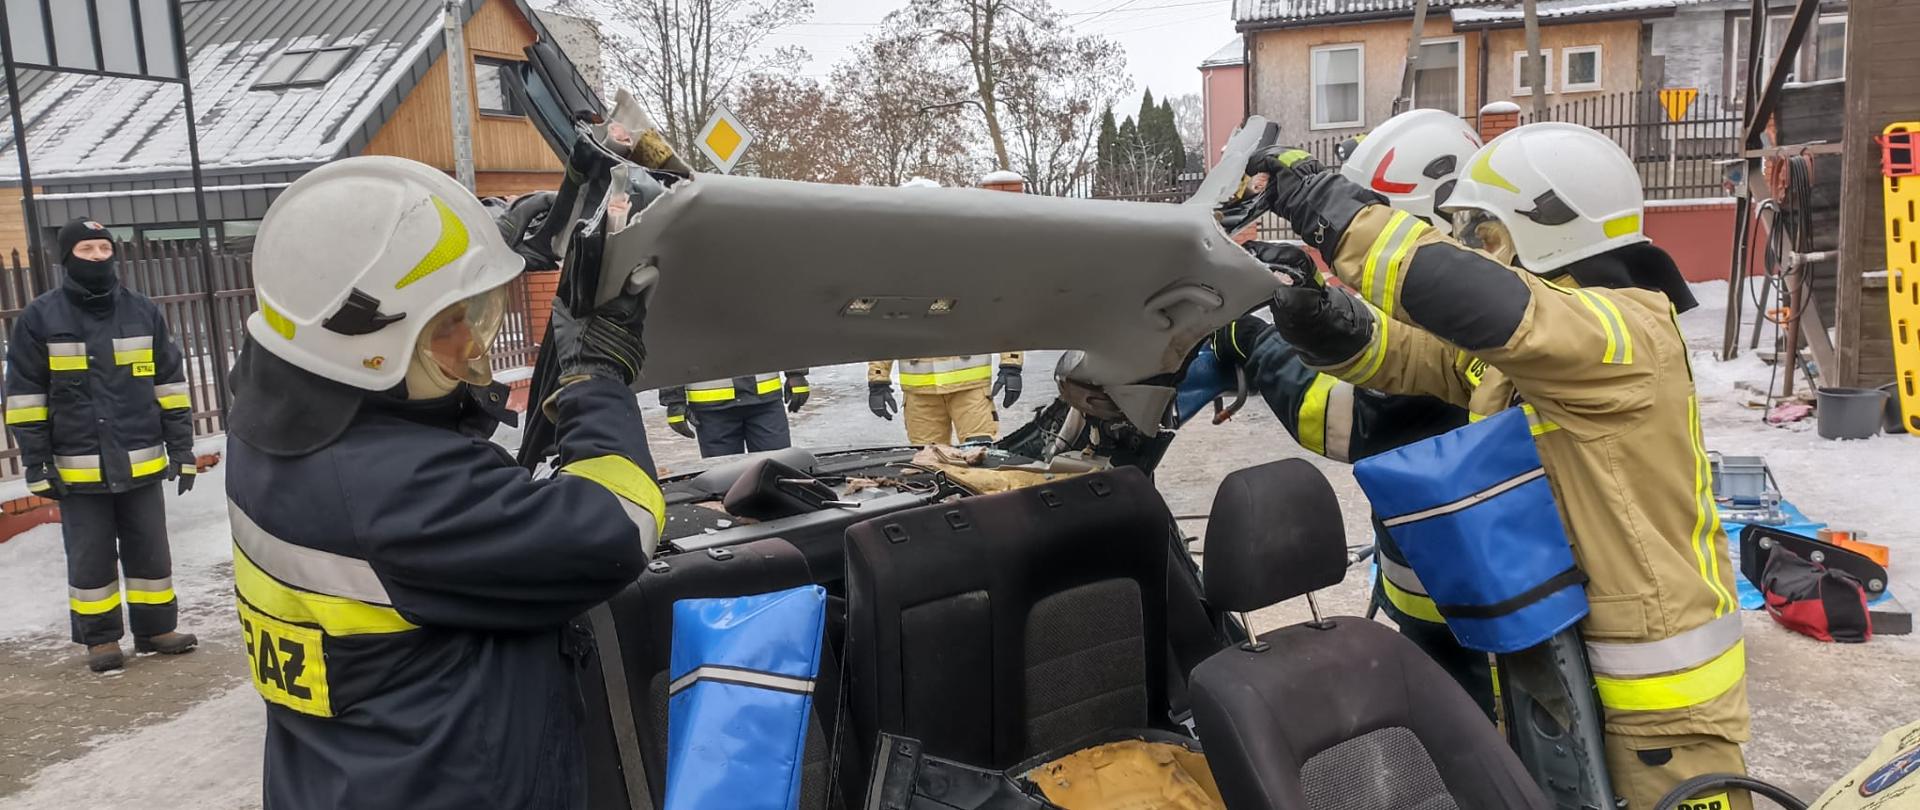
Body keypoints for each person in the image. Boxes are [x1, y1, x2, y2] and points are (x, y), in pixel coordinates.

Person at [1243, 122, 1750, 810]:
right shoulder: (1551, 344)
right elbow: (1420, 358)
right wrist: (1316, 312)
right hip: (1571, 663)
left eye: (1481, 231)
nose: (1471, 249)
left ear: (1540, 227)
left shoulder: (1621, 331)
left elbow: (1460, 291)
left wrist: (1326, 204)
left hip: (1659, 701)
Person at [224, 156, 663, 809]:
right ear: (369, 352)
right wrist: (595, 379)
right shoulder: (394, 492)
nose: (472, 341)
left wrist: (477, 244)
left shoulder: (277, 417)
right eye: (450, 324)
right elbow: (618, 524)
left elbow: (392, 378)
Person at [1201, 108, 1496, 714]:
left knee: (1484, 750)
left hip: (1472, 619)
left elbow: (1343, 419)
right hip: (1441, 595)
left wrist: (1256, 343)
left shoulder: (1458, 327)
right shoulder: (1495, 304)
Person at [5, 218, 199, 673]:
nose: (97, 257)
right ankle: (102, 640)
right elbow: (25, 397)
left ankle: (156, 630)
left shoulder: (142, 311)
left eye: (103, 248)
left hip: (140, 460)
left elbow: (169, 385)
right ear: (67, 257)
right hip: (78, 469)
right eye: (87, 249)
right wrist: (36, 463)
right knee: (90, 559)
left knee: (150, 551)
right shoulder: (41, 317)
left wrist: (183, 450)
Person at [659, 370, 810, 457]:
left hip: (765, 401)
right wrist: (674, 400)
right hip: (713, 410)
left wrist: (796, 372)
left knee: (779, 471)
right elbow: (673, 343)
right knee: (724, 481)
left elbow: (782, 326)